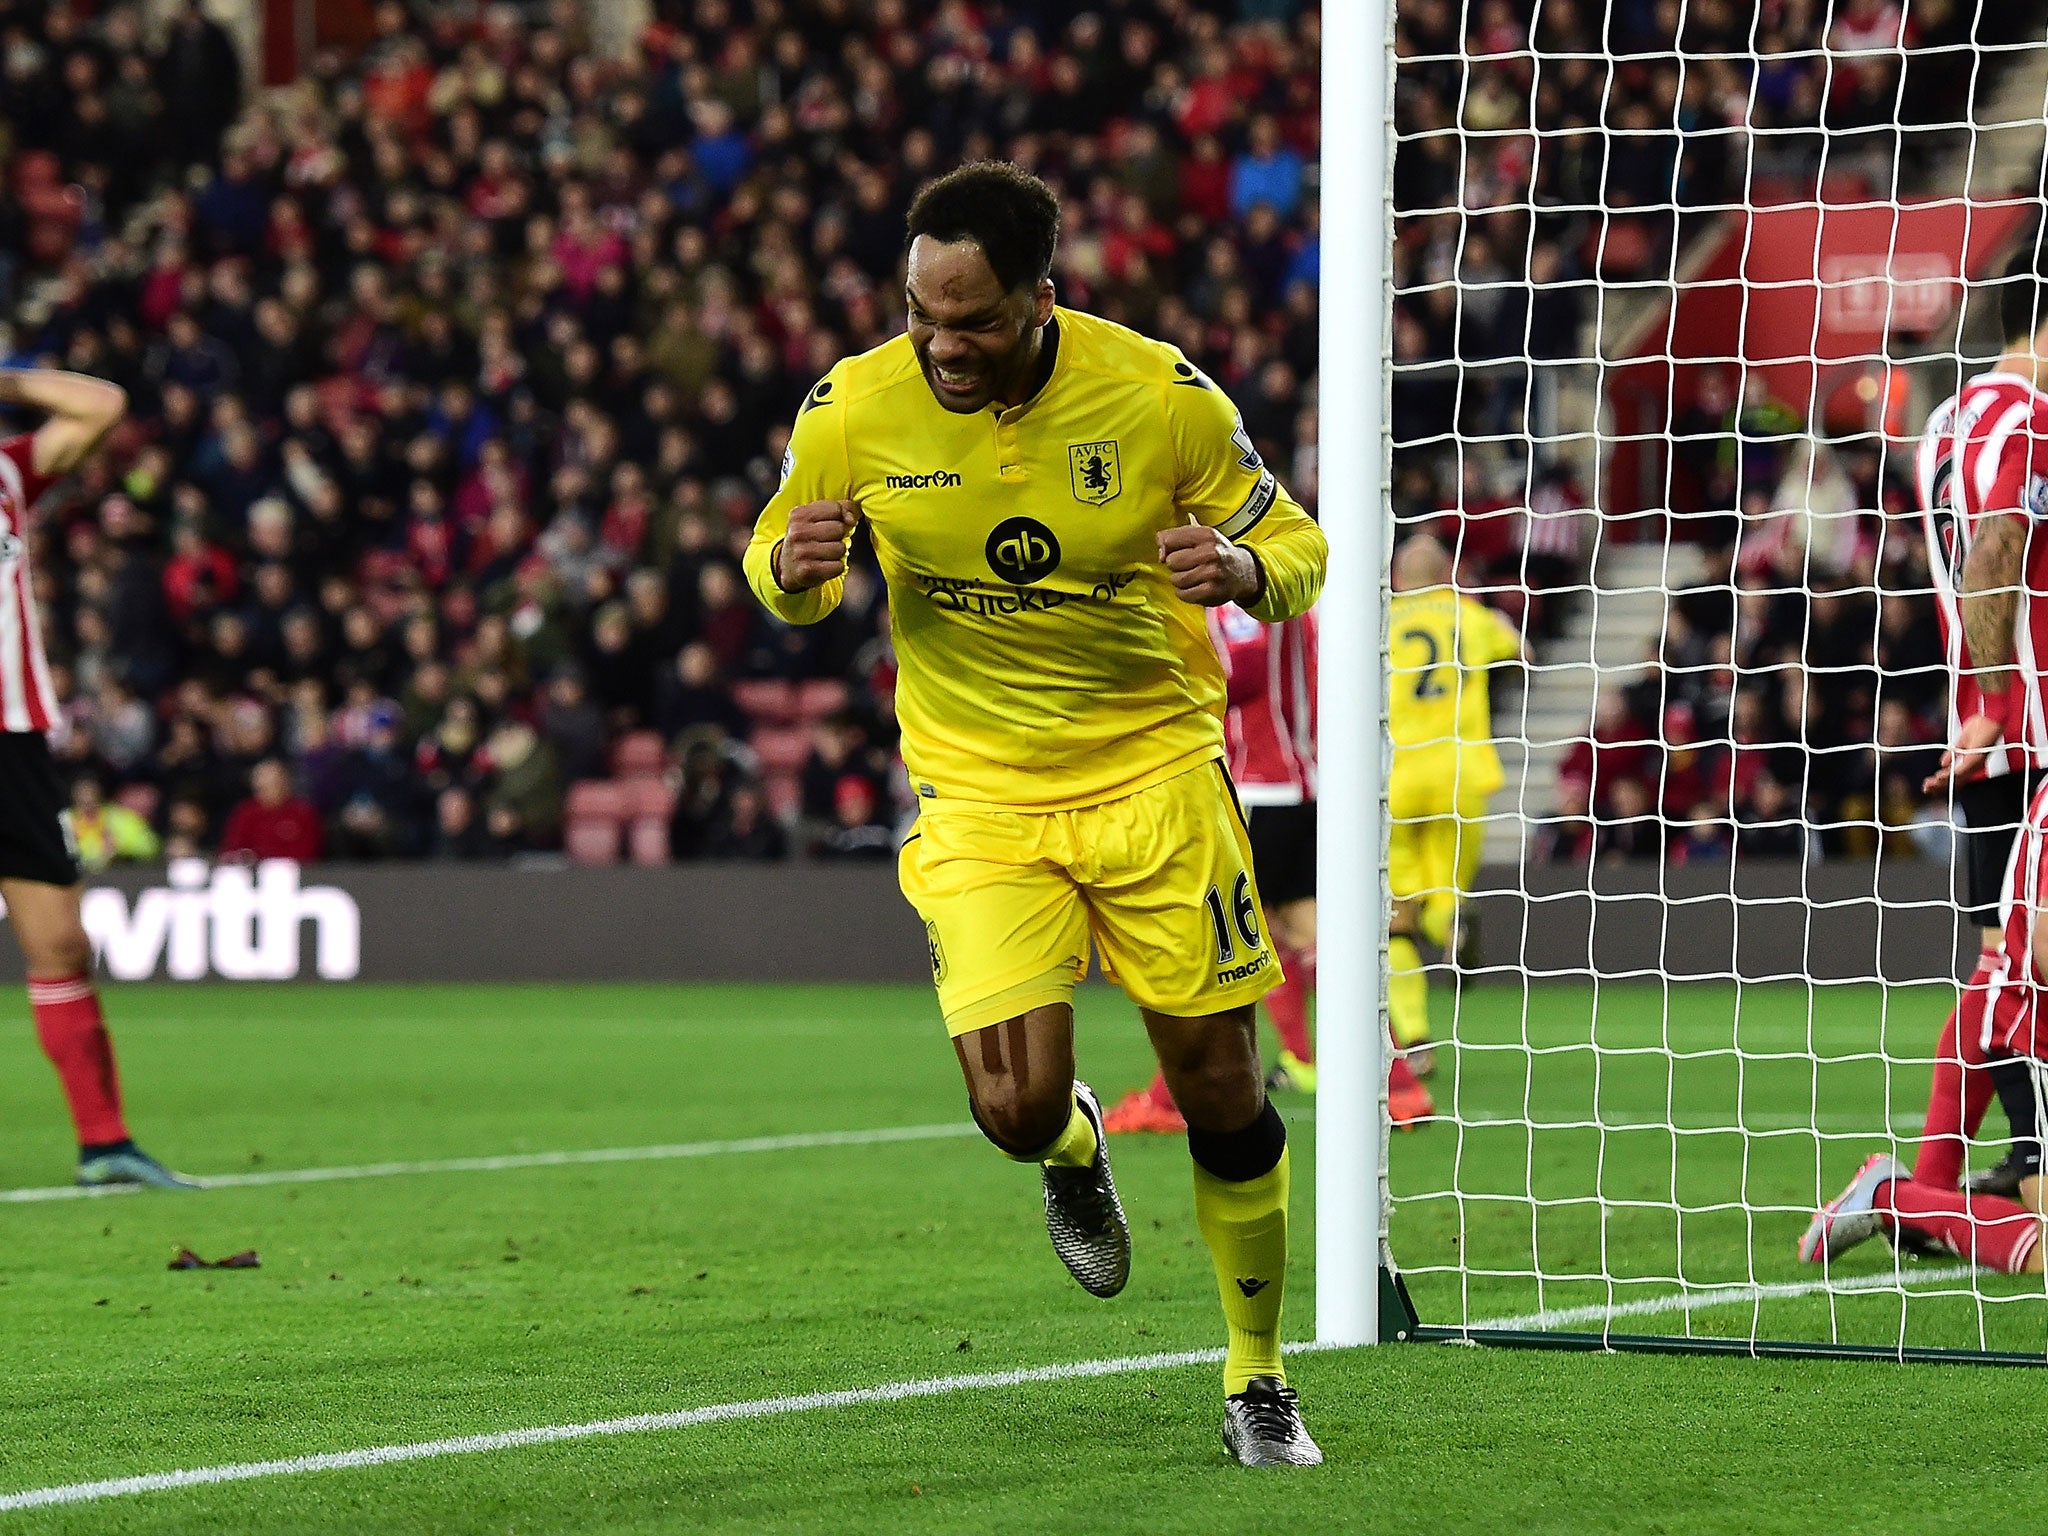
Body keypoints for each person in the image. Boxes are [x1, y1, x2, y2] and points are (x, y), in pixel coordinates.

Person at [744, 163, 1328, 1466]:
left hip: (1158, 781)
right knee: (1013, 1108)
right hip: (984, 797)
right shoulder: (853, 408)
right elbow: (780, 553)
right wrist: (787, 576)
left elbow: (1299, 546)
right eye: (920, 316)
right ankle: (1072, 1150)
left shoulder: (1160, 396)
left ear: (1040, 299)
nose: (943, 346)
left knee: (1222, 1086)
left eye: (973, 321)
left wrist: (1240, 565)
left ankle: (1256, 1374)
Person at [1103, 603, 1435, 1133]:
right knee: (1307, 938)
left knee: (1214, 943)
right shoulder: (1292, 587)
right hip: (1303, 784)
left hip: (1257, 788)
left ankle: (1168, 1102)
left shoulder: (1236, 589)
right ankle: (1399, 1087)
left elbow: (1245, 667)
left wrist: (1153, 683)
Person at [0, 368, 192, 1188]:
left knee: (59, 943)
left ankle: (105, 1145)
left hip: (11, 739)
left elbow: (105, 404)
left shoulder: (8, 471)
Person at [1904, 237, 2048, 1203]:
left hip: (1986, 727)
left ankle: (2013, 1156)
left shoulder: (1945, 421)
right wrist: (1999, 706)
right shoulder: (2030, 418)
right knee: (2023, 958)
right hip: (2027, 727)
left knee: (2001, 953)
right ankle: (2030, 1158)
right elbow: (1996, 547)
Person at [1800, 771, 2048, 1273]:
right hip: (2034, 1032)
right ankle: (1898, 1198)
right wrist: (1992, 715)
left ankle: (1917, 1197)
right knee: (1998, 953)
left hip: (2018, 1004)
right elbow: (2044, 943)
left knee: (1996, 956)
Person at [1385, 534, 1525, 1076]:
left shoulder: (1380, 619)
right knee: (1447, 891)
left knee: (1394, 919)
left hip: (1397, 777)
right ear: (1447, 571)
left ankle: (1416, 1040)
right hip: (1462, 773)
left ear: (1397, 576)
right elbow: (1522, 652)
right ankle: (1452, 927)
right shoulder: (1471, 616)